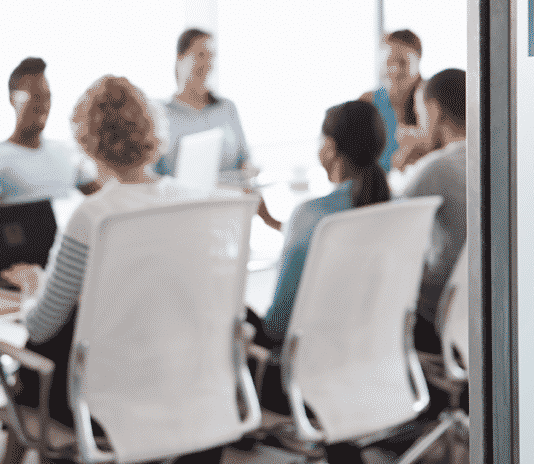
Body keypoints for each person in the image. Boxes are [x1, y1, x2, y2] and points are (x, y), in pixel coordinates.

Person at [3, 75, 228, 463]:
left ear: (88, 144)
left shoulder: (93, 216)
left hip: (107, 403)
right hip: (190, 386)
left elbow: (41, 326)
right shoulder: (195, 202)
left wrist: (31, 289)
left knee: (43, 344)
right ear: (151, 130)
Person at [243, 101, 391, 444]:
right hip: (373, 366)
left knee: (231, 314)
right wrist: (274, 223)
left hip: (298, 381)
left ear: (330, 148)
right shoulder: (393, 210)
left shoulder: (309, 216)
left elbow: (277, 327)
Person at [153, 28, 281, 230]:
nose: (208, 63)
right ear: (180, 58)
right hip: (183, 219)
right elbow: (153, 177)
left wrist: (249, 170)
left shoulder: (227, 108)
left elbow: (243, 160)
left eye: (211, 56)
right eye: (200, 55)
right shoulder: (160, 113)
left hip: (232, 215)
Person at [401, 68, 467, 354]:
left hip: (438, 308)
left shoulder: (438, 168)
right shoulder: (498, 155)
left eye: (420, 113)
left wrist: (404, 161)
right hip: (480, 301)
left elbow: (386, 223)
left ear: (435, 110)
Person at [0, 57, 100, 208]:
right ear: (12, 99)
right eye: (34, 97)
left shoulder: (65, 152)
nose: (42, 106)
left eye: (46, 97)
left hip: (70, 230)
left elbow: (105, 196)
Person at [360, 29, 429, 172]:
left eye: (403, 62)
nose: (395, 70)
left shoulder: (433, 100)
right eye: (389, 62)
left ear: (419, 58)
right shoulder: (368, 103)